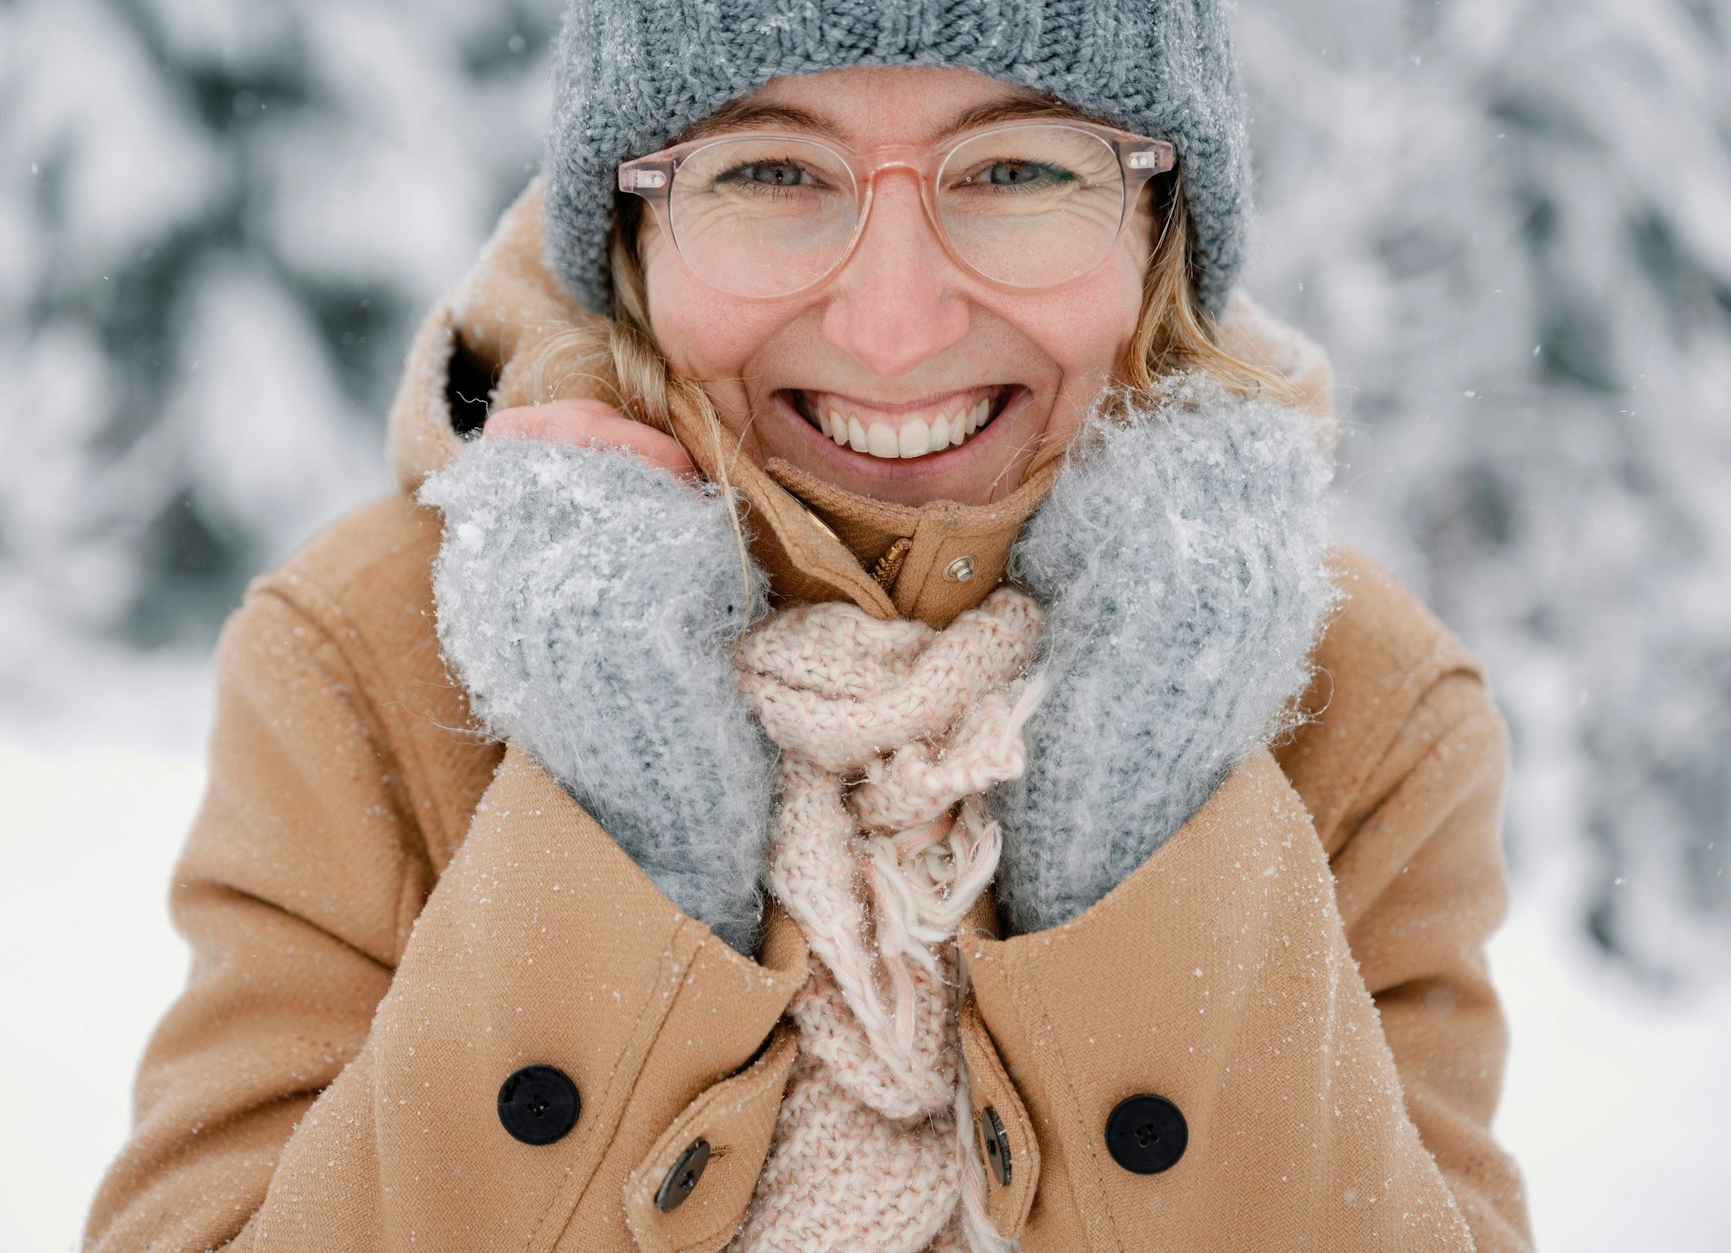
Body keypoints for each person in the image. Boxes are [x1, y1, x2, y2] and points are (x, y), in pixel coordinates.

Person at [83, 1, 1534, 1249]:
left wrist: (1152, 861)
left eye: (1019, 169)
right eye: (770, 171)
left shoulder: (1353, 703)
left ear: (1160, 223)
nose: (894, 323)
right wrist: (618, 862)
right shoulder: (374, 660)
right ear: (630, 232)